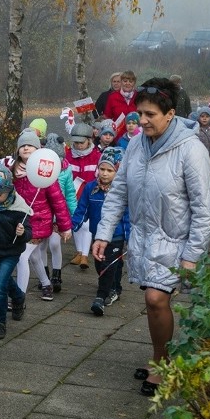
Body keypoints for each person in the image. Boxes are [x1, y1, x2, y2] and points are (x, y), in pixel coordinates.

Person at [91, 77, 210, 396]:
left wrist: (192, 256)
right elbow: (118, 191)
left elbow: (203, 209)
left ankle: (164, 364)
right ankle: (160, 356)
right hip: (144, 239)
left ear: (170, 114)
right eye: (139, 113)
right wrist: (103, 233)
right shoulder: (135, 145)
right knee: (154, 304)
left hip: (176, 242)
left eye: (149, 115)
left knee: (155, 299)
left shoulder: (191, 151)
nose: (141, 121)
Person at [12, 128, 73, 302]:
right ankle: (46, 284)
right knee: (35, 256)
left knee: (22, 256)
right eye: (23, 145)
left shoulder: (45, 173)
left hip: (38, 223)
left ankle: (19, 297)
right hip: (18, 223)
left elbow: (58, 201)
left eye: (31, 145)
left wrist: (65, 226)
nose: (26, 148)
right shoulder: (13, 171)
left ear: (38, 149)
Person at [72, 147, 129, 316]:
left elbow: (128, 215)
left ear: (118, 171)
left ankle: (100, 296)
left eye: (110, 170)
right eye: (102, 169)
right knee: (101, 264)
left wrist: (130, 235)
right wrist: (71, 226)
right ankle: (114, 286)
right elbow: (82, 209)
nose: (104, 173)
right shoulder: (90, 188)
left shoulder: (123, 191)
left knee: (108, 264)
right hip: (97, 235)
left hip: (117, 235)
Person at [0, 163, 33, 339]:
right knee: (6, 282)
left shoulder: (19, 209)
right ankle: (18, 297)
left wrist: (22, 232)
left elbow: (29, 230)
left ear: (9, 192)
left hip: (10, 251)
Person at [39, 133, 76, 293]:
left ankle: (57, 273)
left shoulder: (66, 170)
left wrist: (74, 214)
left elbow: (69, 193)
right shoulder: (39, 169)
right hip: (42, 212)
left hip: (57, 213)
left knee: (55, 244)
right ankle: (44, 275)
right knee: (41, 246)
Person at [64, 122, 102, 268]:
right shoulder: (68, 156)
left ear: (89, 140)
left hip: (90, 194)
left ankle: (85, 255)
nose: (78, 145)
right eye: (76, 142)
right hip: (73, 195)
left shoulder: (96, 156)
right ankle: (79, 252)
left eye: (82, 142)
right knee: (76, 224)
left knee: (86, 225)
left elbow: (100, 175)